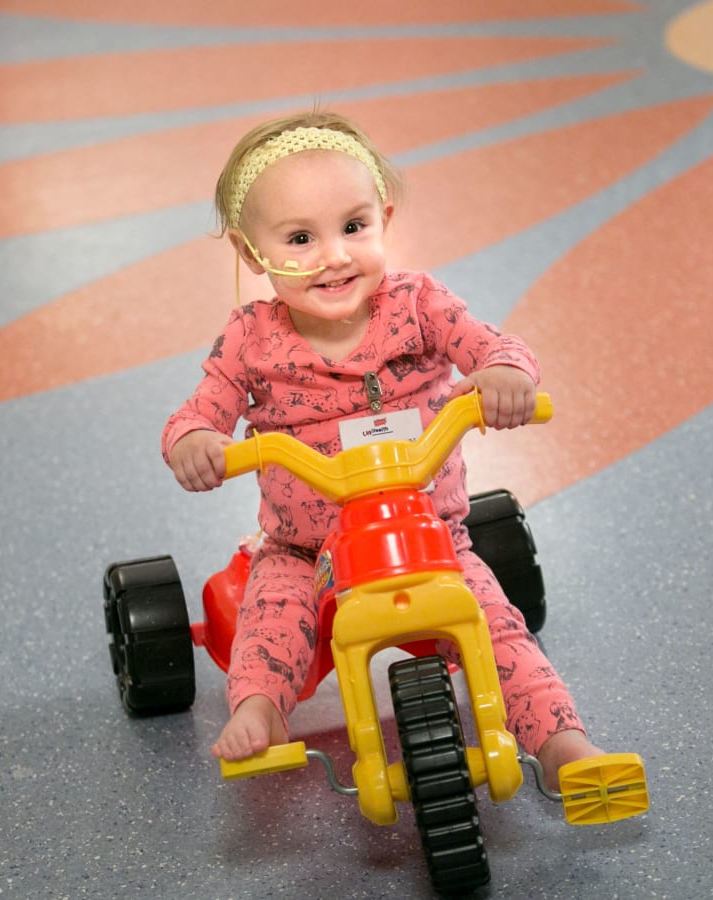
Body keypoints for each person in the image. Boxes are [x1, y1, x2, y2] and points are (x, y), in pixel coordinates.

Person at [162, 110, 604, 791]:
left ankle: (565, 747)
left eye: (353, 227)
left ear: (384, 217)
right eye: (301, 238)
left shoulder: (419, 304)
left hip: (430, 534)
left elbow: (497, 348)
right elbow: (202, 410)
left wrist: (504, 377)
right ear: (253, 255)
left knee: (500, 631)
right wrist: (197, 442)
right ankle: (260, 712)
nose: (335, 255)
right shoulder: (250, 339)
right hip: (305, 548)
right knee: (270, 620)